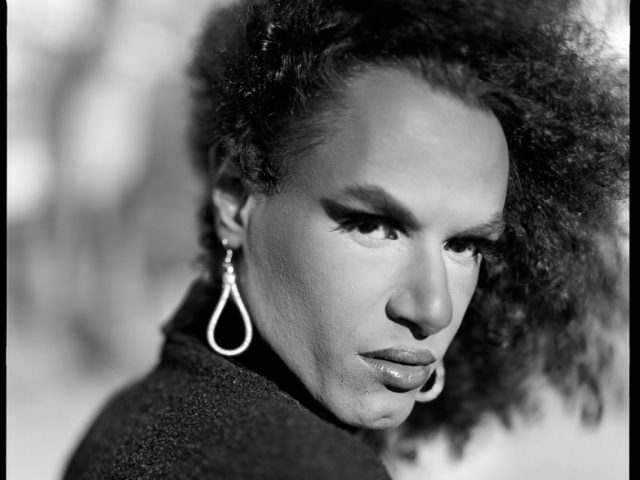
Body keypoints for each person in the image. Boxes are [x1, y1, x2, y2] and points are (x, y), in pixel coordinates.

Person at [62, 0, 628, 478]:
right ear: (236, 199)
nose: (431, 308)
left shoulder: (135, 419)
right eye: (374, 226)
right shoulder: (302, 464)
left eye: (464, 246)